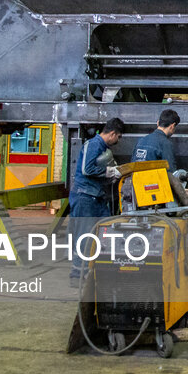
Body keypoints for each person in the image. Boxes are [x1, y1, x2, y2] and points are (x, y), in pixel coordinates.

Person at [68, 117, 124, 286]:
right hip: (85, 197)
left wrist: (110, 177)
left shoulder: (102, 147)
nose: (118, 141)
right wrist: (109, 172)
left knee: (105, 232)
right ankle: (76, 276)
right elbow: (87, 169)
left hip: (96, 197)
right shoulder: (94, 145)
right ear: (112, 133)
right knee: (84, 235)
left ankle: (98, 270)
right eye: (119, 137)